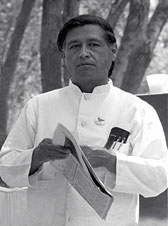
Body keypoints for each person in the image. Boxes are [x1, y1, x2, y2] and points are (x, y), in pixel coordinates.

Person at [0, 14, 168, 226]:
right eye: (74, 47)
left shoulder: (137, 111)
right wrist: (37, 156)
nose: (84, 53)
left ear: (113, 51)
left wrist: (111, 161)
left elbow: (160, 178)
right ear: (64, 56)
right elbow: (5, 168)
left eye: (93, 45)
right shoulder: (39, 106)